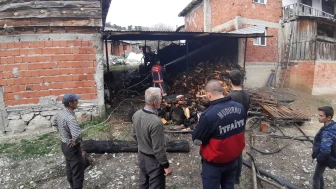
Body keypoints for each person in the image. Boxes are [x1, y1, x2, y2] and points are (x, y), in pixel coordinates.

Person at [192, 79, 247, 189]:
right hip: (233, 159)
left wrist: (200, 123)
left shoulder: (208, 115)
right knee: (229, 185)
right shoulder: (240, 108)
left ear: (209, 95)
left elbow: (197, 140)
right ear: (222, 91)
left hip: (214, 164)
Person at [132, 87, 173, 189]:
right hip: (153, 161)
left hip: (141, 157)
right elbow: (158, 149)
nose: (161, 101)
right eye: (160, 99)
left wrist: (141, 145)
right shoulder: (156, 122)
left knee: (143, 184)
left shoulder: (136, 114)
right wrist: (166, 166)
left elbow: (133, 134)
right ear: (155, 102)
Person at [52, 93, 84, 189]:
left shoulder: (60, 113)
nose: (77, 102)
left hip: (64, 145)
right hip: (72, 148)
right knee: (78, 173)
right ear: (71, 103)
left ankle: (71, 185)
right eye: (76, 100)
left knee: (70, 168)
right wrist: (74, 141)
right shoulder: (70, 118)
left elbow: (54, 122)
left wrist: (63, 135)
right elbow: (77, 135)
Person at [228, 69, 250, 184]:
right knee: (239, 152)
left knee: (231, 153)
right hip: (242, 127)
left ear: (229, 81)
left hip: (232, 129)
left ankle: (231, 177)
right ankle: (237, 177)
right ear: (241, 80)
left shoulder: (231, 97)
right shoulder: (246, 95)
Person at [312, 106, 336, 189]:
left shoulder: (327, 133)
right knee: (319, 174)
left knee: (316, 178)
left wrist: (319, 158)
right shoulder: (333, 126)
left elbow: (325, 151)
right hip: (330, 156)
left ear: (328, 117)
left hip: (325, 158)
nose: (318, 117)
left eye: (321, 116)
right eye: (318, 115)